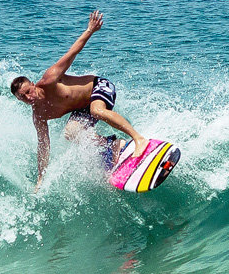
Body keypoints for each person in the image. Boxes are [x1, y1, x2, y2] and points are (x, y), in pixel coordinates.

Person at [10, 10, 148, 192]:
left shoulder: (50, 79)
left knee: (96, 110)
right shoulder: (39, 115)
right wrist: (41, 177)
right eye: (23, 98)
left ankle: (139, 139)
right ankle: (115, 145)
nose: (29, 98)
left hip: (99, 87)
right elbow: (44, 145)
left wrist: (90, 30)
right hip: (84, 107)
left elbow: (72, 52)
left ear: (33, 85)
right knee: (71, 132)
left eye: (28, 91)